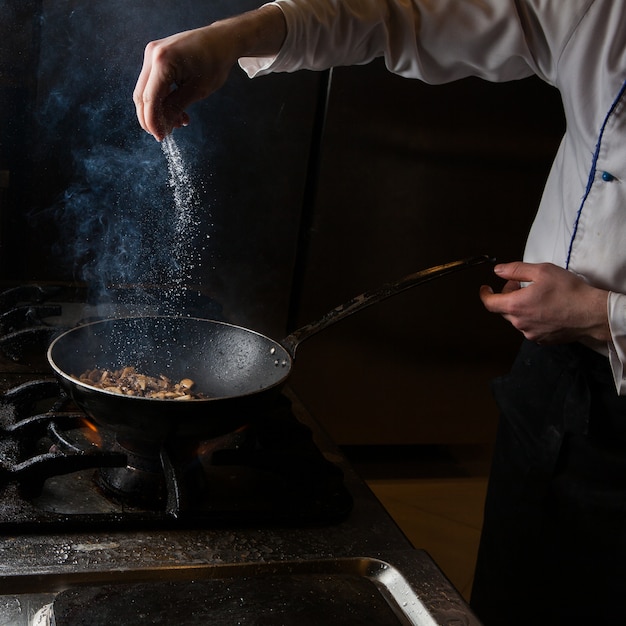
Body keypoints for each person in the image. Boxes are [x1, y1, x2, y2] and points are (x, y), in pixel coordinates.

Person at [134, 1, 626, 623]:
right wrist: (234, 35)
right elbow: (403, 13)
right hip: (551, 377)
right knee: (515, 594)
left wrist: (607, 315)